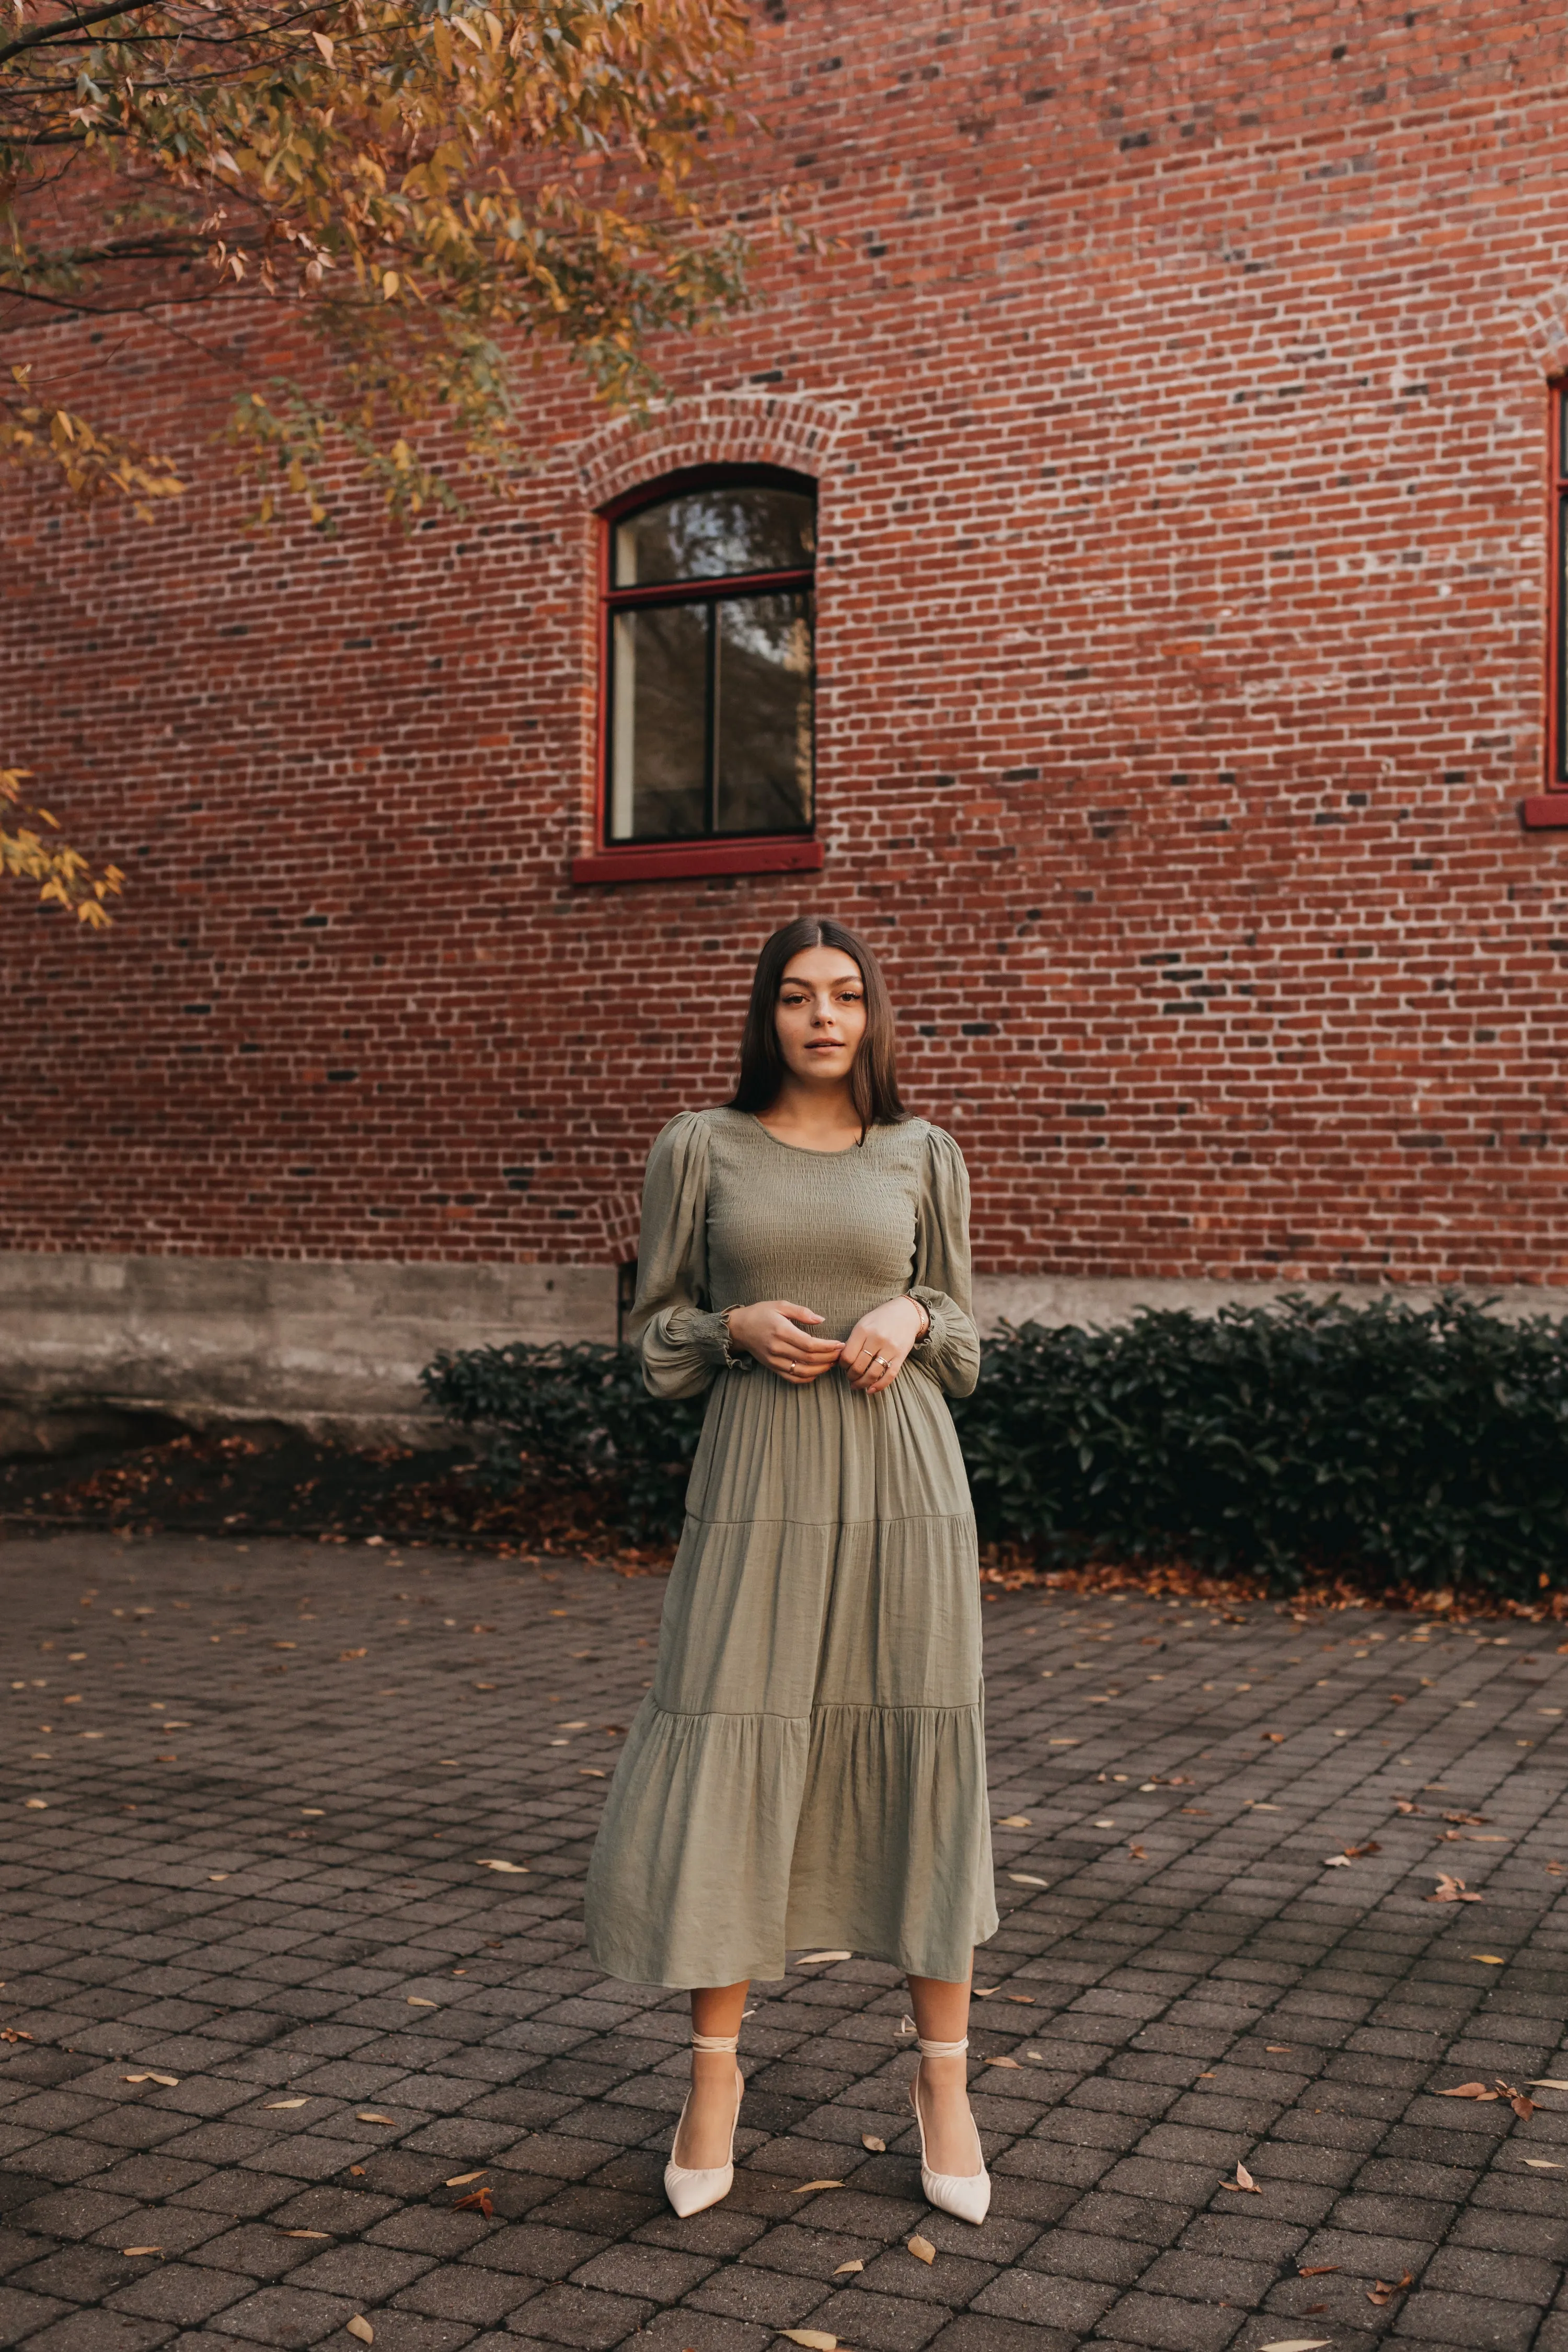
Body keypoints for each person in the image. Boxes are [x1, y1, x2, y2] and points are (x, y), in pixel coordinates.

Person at [583, 914, 996, 2224]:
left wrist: (912, 1310)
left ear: (875, 1017)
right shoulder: (699, 1147)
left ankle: (944, 2085)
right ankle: (714, 2080)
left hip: (903, 1485)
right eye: (799, 999)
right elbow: (650, 1342)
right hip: (759, 1478)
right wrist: (732, 1324)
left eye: (849, 997)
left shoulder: (925, 1153)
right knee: (731, 1740)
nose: (825, 1019)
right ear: (766, 1016)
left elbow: (972, 1338)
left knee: (919, 1749)